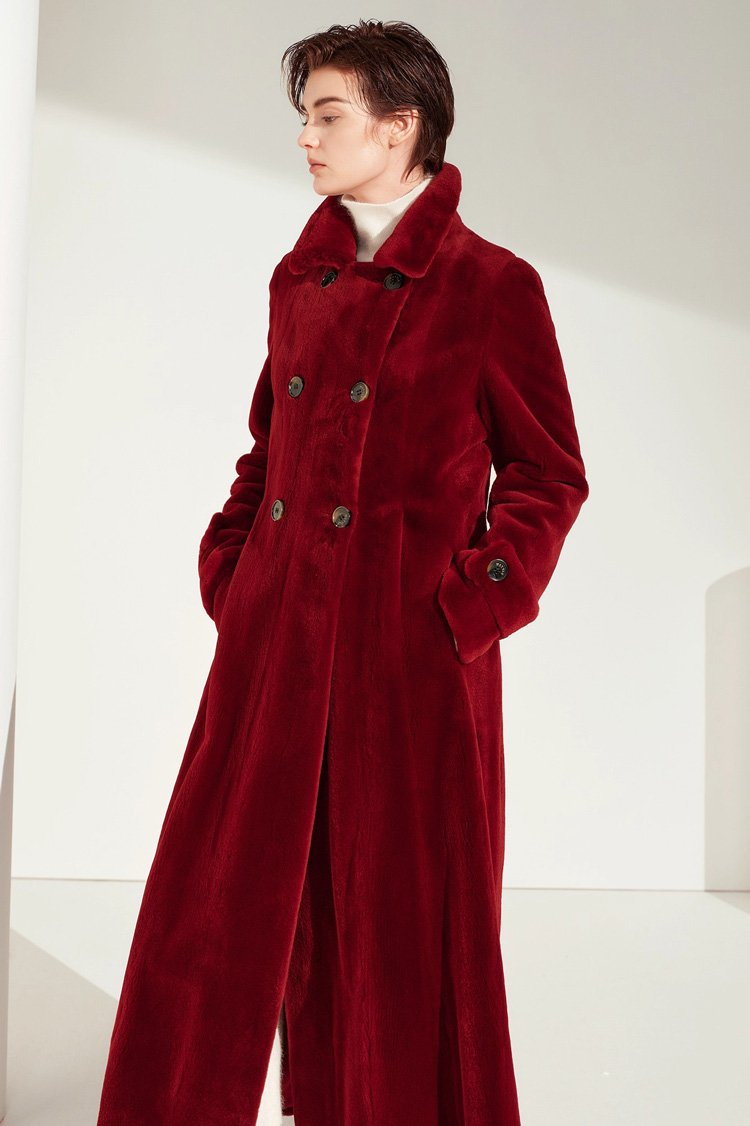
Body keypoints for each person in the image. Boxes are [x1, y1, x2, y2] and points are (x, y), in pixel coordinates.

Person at [96, 19, 589, 1126]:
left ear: (400, 125)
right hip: (274, 644)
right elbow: (266, 450)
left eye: (327, 115)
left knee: (404, 926)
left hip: (410, 662)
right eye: (305, 117)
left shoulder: (491, 285)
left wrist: (466, 609)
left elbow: (549, 474)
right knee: (214, 909)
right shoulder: (300, 277)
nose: (306, 139)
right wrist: (234, 572)